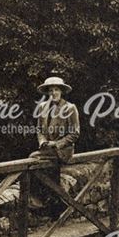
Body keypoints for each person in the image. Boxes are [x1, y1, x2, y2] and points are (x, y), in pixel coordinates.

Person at [29, 76, 80, 216]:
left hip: (63, 150)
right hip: (47, 149)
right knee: (50, 175)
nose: (53, 93)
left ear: (61, 91)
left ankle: (37, 200)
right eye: (50, 90)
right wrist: (42, 142)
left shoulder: (70, 108)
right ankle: (56, 206)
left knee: (32, 158)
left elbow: (75, 134)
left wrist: (57, 144)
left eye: (56, 89)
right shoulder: (42, 107)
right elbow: (39, 130)